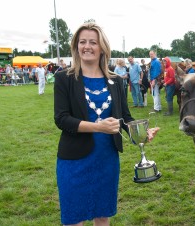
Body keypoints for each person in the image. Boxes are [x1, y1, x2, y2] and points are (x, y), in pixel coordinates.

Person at [54, 22, 159, 226]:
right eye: (82, 42)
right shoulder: (64, 78)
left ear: (102, 47)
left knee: (102, 216)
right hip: (73, 160)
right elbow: (61, 119)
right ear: (76, 46)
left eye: (93, 42)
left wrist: (141, 133)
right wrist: (97, 127)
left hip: (106, 160)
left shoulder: (117, 81)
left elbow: (124, 118)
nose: (87, 46)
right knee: (74, 218)